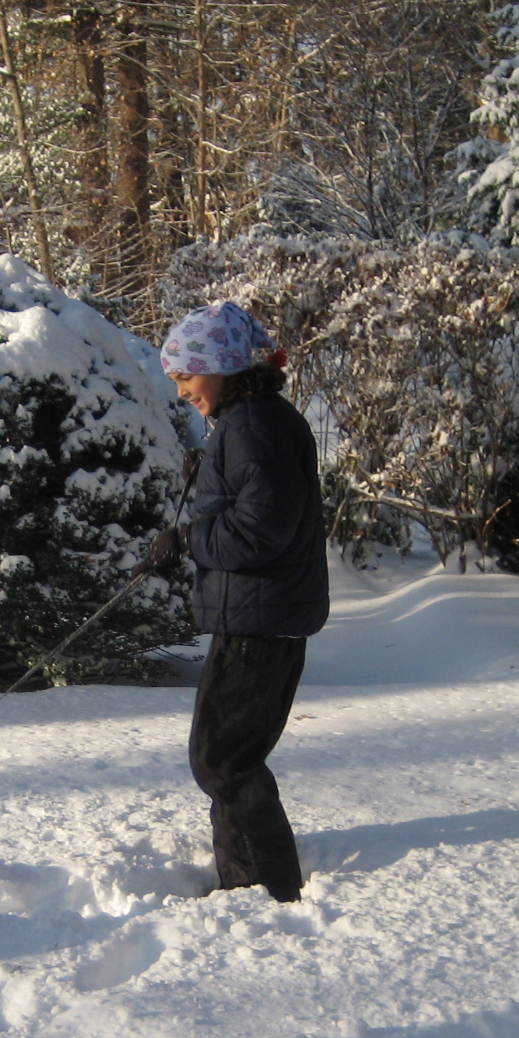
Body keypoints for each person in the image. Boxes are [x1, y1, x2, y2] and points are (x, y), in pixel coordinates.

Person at [142, 302, 329, 903]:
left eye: (185, 376)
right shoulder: (250, 422)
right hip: (259, 617)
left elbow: (258, 532)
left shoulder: (254, 425)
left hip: (260, 622)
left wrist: (189, 538)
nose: (181, 391)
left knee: (223, 760)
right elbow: (254, 506)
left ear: (221, 367)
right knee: (227, 756)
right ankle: (243, 878)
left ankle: (268, 886)